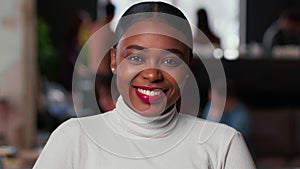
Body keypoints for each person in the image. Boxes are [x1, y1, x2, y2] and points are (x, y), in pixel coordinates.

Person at [33, 2, 256, 169]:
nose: (151, 74)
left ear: (188, 67)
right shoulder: (72, 138)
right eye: (136, 58)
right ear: (114, 60)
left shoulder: (223, 146)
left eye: (170, 61)